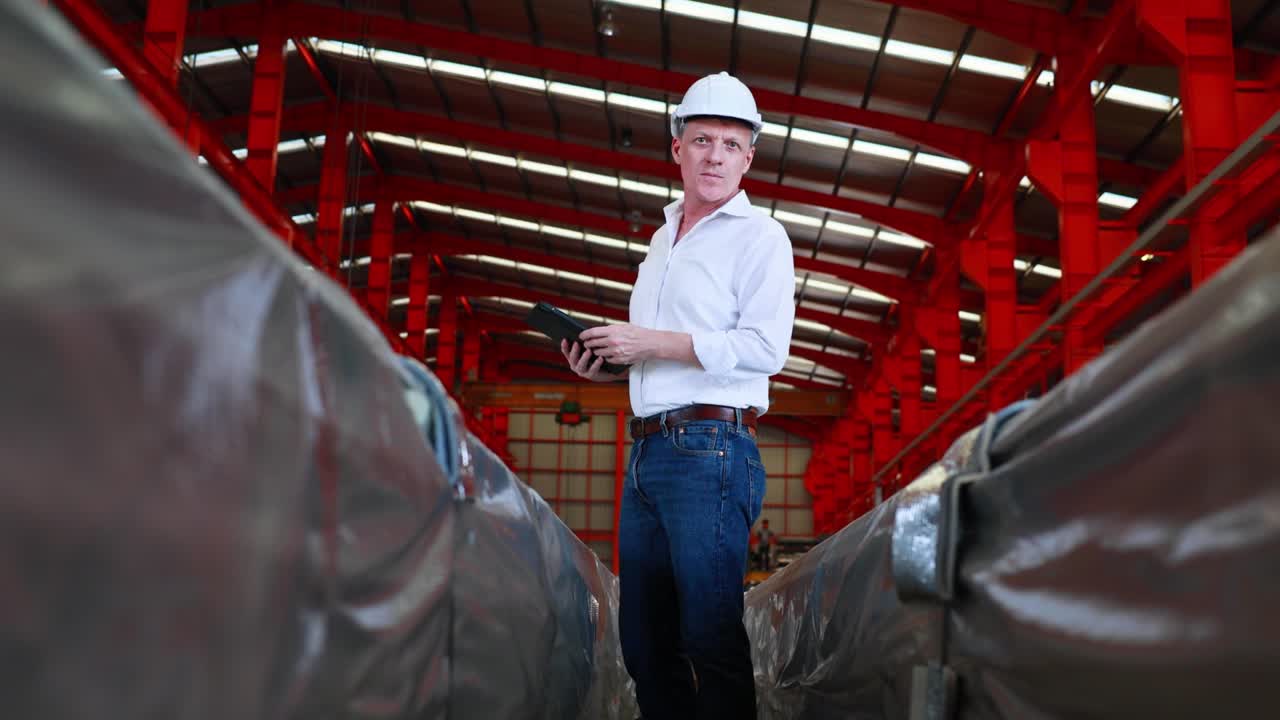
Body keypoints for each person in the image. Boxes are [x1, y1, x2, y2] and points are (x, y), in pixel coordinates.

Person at [560, 71, 795, 719]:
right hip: (649, 456)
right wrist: (604, 367)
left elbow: (765, 348)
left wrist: (652, 343)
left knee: (709, 637)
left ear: (750, 157)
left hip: (711, 452)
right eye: (701, 140)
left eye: (729, 143)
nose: (714, 155)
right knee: (644, 646)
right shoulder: (662, 243)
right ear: (676, 149)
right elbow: (655, 358)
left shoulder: (761, 237)